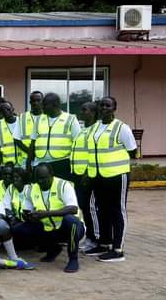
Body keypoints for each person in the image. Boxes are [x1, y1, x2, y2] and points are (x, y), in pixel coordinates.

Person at [83, 97, 137, 263]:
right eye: (102, 105)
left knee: (117, 211)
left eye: (108, 105)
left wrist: (114, 165)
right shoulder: (95, 127)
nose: (104, 108)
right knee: (103, 210)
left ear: (114, 108)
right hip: (99, 177)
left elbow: (132, 151)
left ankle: (118, 249)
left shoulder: (122, 128)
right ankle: (104, 243)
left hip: (117, 176)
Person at [13, 164, 84, 273]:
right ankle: (53, 248)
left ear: (51, 175)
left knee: (71, 221)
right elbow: (26, 210)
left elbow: (73, 209)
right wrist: (28, 216)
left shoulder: (63, 185)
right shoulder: (32, 189)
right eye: (38, 178)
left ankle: (73, 259)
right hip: (49, 228)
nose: (40, 181)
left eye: (43, 178)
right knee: (20, 229)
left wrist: (46, 214)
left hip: (70, 229)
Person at [70, 101, 100, 251]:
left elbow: (94, 154)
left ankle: (96, 238)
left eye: (84, 110)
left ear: (93, 113)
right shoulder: (83, 130)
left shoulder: (96, 130)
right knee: (84, 207)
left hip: (88, 175)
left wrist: (88, 172)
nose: (81, 112)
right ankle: (90, 237)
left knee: (91, 208)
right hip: (78, 174)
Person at [31, 92, 81, 180]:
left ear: (55, 105)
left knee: (60, 190)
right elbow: (33, 142)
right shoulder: (38, 119)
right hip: (40, 163)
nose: (42, 107)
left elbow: (78, 144)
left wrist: (77, 167)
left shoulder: (71, 119)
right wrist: (29, 164)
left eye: (45, 105)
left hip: (62, 164)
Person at [18, 91, 44, 173]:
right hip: (26, 158)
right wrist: (30, 154)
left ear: (42, 101)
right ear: (30, 102)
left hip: (42, 157)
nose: (35, 103)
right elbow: (16, 139)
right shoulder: (22, 117)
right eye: (33, 101)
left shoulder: (48, 116)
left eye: (38, 100)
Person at [0, 101, 24, 167]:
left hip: (22, 162)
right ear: (1, 113)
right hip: (7, 164)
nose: (6, 111)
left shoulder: (21, 122)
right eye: (3, 110)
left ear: (13, 109)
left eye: (8, 109)